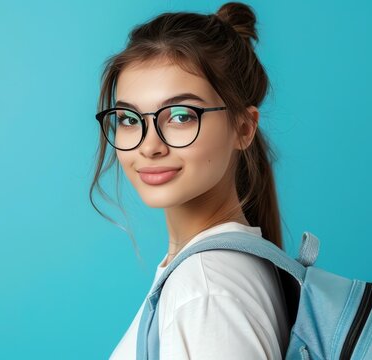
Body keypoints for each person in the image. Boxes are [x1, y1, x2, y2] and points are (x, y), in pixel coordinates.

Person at [89, 2, 291, 359]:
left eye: (181, 116)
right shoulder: (217, 273)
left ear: (243, 128)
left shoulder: (206, 289)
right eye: (129, 119)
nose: (149, 146)